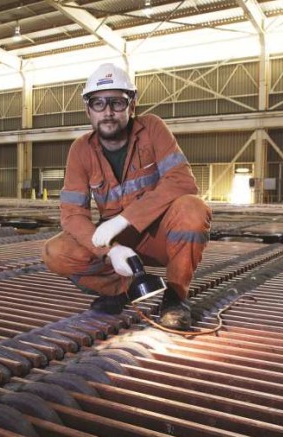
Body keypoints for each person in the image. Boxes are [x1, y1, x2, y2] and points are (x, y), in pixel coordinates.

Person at [41, 63, 212, 330]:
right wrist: (109, 250)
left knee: (193, 209)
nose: (108, 112)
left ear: (132, 106)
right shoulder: (80, 150)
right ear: (88, 110)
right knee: (56, 251)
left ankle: (175, 298)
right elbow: (72, 214)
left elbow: (182, 181)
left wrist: (123, 220)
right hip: (120, 242)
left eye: (117, 103)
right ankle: (122, 289)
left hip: (160, 237)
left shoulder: (152, 129)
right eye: (98, 104)